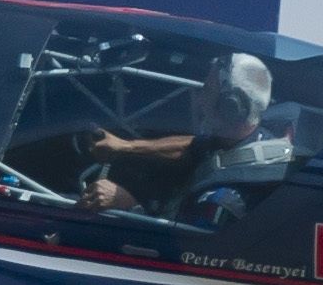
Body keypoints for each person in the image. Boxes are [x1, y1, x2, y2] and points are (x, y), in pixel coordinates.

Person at [82, 53, 292, 221]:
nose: (199, 99)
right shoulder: (248, 139)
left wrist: (129, 204)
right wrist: (125, 146)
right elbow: (194, 145)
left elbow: (178, 252)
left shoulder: (221, 202)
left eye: (207, 90)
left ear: (230, 108)